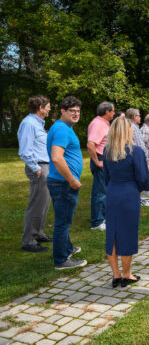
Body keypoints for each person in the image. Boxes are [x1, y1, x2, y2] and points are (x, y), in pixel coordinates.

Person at [103, 116, 149, 288]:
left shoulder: (107, 151)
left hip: (112, 193)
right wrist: (138, 188)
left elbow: (106, 176)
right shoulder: (135, 151)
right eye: (130, 128)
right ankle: (126, 274)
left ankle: (115, 275)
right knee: (128, 234)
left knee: (113, 234)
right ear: (126, 130)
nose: (132, 130)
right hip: (129, 194)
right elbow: (143, 178)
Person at [46, 96, 87, 270]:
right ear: (63, 111)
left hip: (60, 182)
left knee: (63, 219)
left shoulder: (61, 127)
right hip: (64, 183)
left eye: (78, 111)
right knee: (63, 222)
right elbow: (56, 157)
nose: (76, 114)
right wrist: (72, 180)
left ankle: (67, 248)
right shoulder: (62, 129)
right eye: (72, 111)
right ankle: (61, 260)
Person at [17, 95, 52, 252]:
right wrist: (36, 168)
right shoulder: (29, 124)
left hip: (45, 166)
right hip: (38, 167)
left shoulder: (37, 123)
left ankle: (38, 233)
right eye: (48, 106)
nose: (50, 108)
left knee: (44, 204)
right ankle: (29, 241)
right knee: (37, 204)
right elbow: (25, 150)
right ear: (40, 108)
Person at [87, 101, 115, 231]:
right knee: (100, 192)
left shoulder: (104, 123)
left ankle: (103, 217)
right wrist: (97, 161)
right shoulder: (98, 124)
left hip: (105, 159)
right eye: (113, 111)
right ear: (107, 112)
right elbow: (91, 144)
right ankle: (97, 222)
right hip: (100, 159)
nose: (114, 113)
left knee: (105, 190)